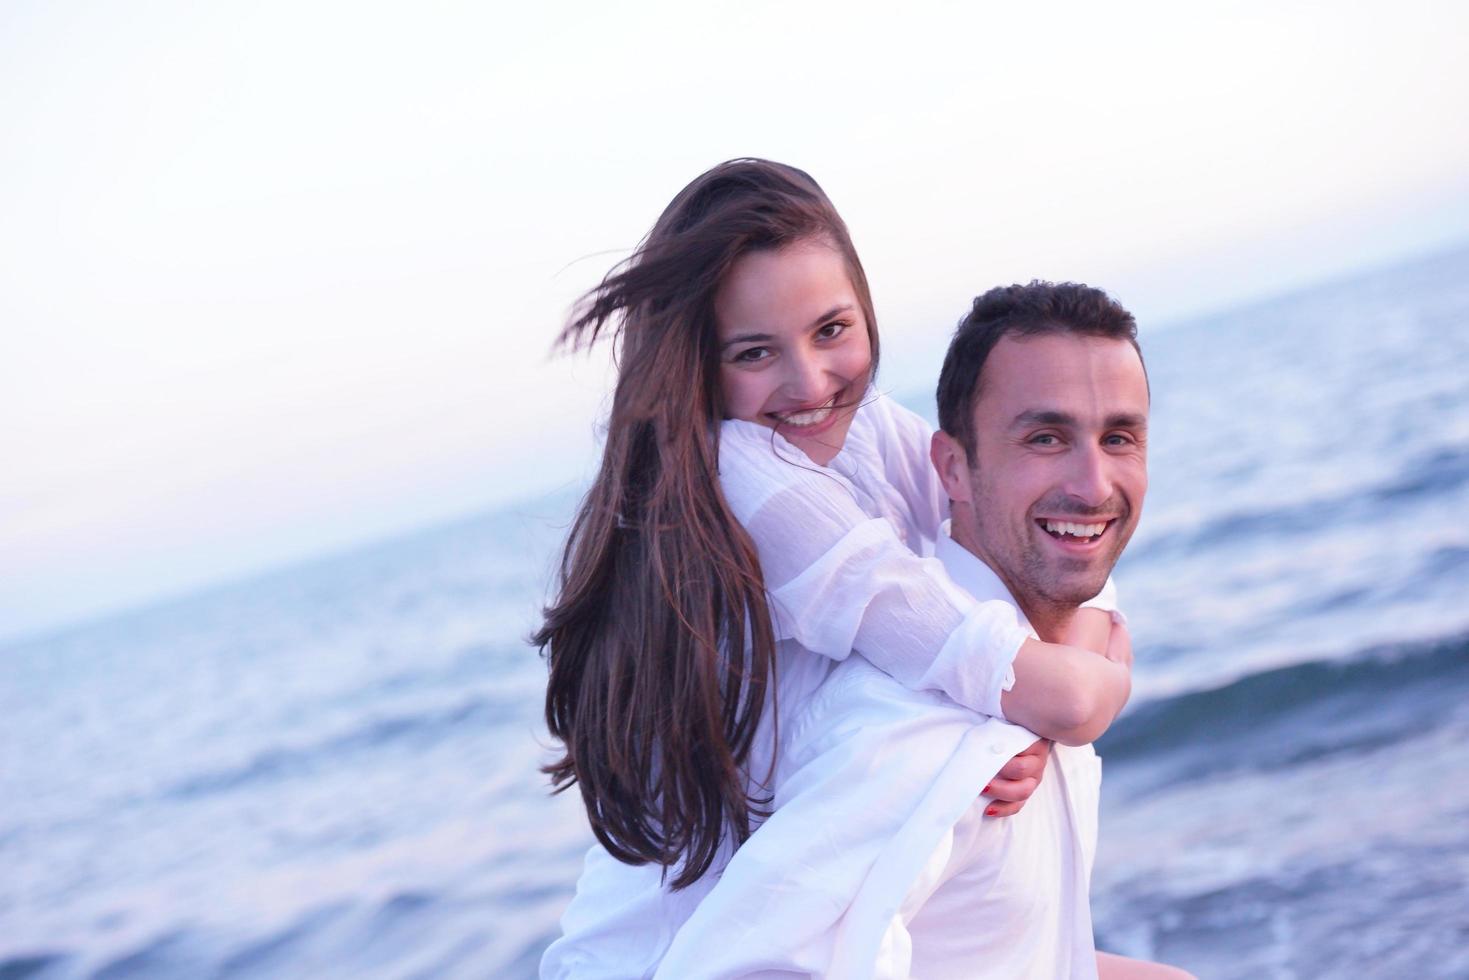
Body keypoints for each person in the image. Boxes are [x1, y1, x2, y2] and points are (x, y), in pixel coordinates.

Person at [536, 160, 1131, 976]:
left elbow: (1027, 539)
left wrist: (1040, 692)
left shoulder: (866, 427)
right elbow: (974, 648)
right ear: (697, 365)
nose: (810, 382)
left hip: (789, 911)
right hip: (676, 953)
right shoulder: (737, 469)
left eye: (831, 330)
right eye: (754, 353)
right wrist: (1078, 696)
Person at [644, 282, 1194, 978]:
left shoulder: (1044, 663)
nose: (1092, 484)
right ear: (951, 469)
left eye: (1117, 437)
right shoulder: (920, 739)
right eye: (1045, 438)